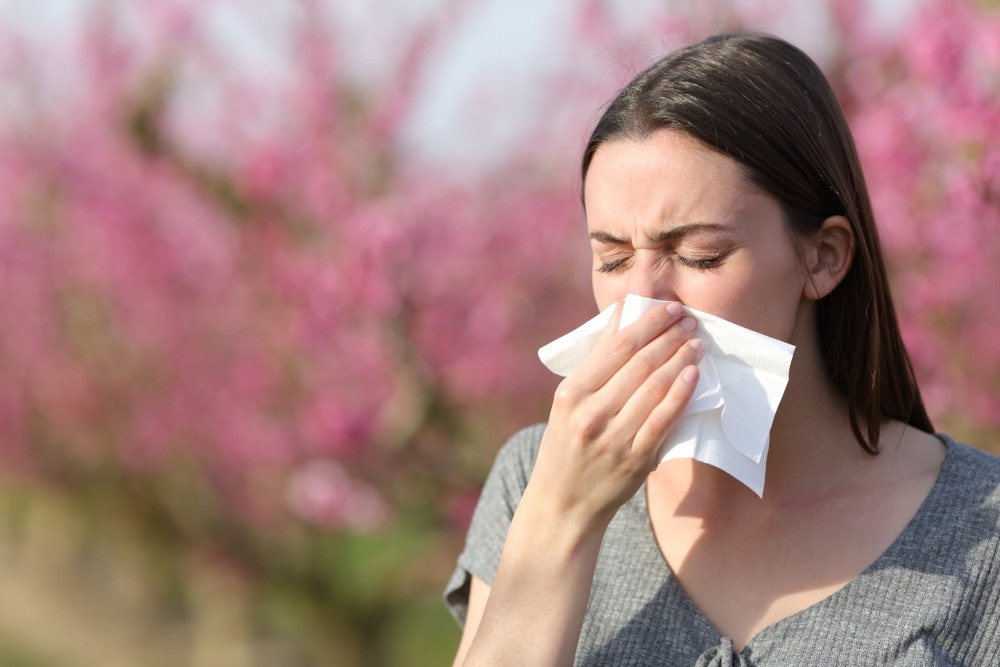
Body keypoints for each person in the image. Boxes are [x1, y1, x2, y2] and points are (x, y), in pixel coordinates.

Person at [444, 33, 1000, 666]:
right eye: (613, 258)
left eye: (698, 256)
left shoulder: (984, 533)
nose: (645, 302)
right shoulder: (533, 478)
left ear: (822, 258)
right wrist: (562, 516)